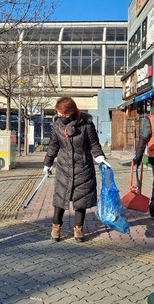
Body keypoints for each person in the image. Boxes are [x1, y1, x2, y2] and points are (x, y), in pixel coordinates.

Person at [43, 97, 110, 242]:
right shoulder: (57, 125)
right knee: (60, 199)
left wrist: (100, 158)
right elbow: (53, 146)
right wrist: (48, 163)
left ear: (71, 112)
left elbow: (94, 144)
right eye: (58, 112)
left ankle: (78, 229)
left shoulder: (86, 124)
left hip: (83, 167)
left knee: (81, 201)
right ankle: (56, 227)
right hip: (63, 167)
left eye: (63, 113)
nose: (60, 115)